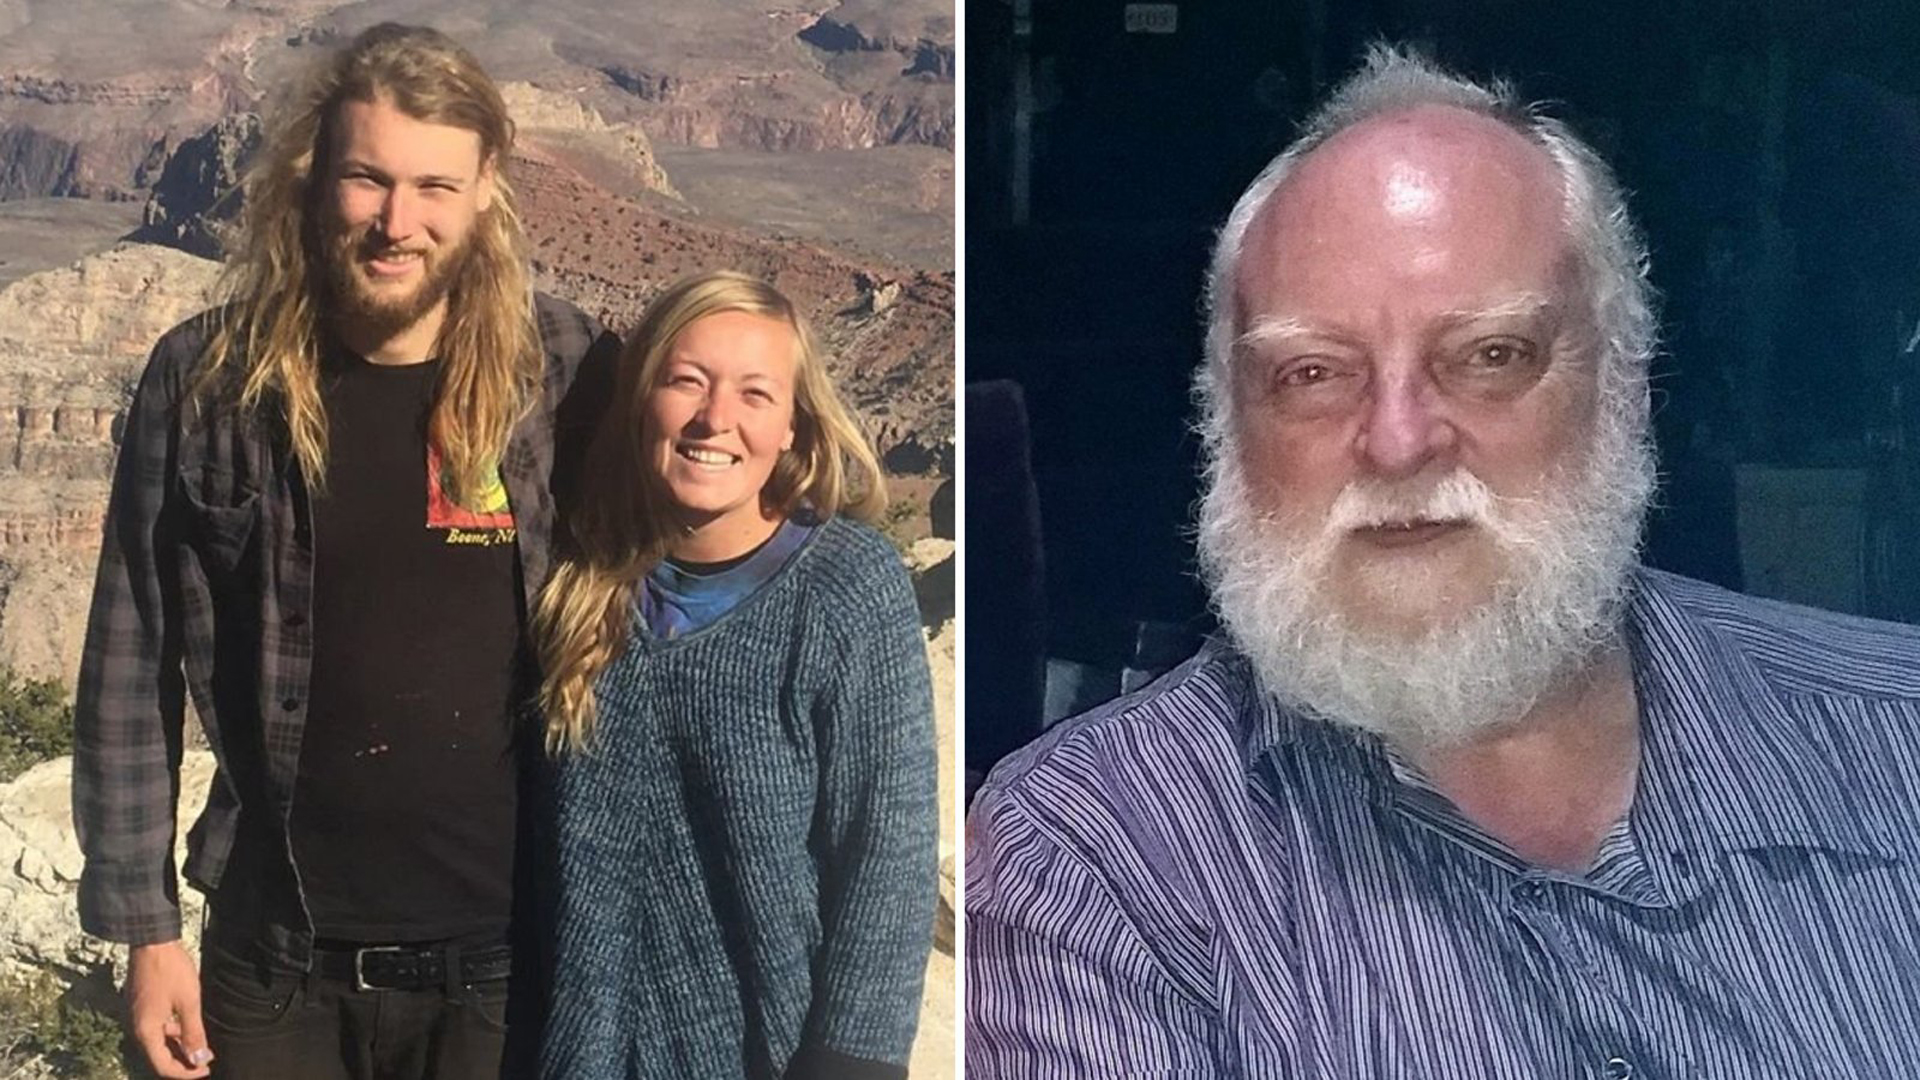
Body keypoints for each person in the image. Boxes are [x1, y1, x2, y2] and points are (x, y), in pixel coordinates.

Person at [966, 44, 1920, 1077]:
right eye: (1314, 373)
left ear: (1625, 389)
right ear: (1227, 429)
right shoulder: (1095, 863)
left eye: (1490, 356)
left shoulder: (1896, 740)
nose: (1400, 440)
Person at [71, 23, 617, 1080]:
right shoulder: (208, 382)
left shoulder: (559, 367)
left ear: (485, 187)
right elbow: (129, 661)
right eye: (368, 178)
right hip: (275, 968)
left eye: (432, 187)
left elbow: (676, 557)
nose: (397, 221)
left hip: (507, 967)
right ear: (316, 172)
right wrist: (147, 931)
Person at [533, 271, 938, 1080]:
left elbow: (886, 856)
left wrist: (851, 1064)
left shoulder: (844, 590)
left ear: (792, 425)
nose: (716, 419)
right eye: (687, 381)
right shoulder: (580, 576)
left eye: (756, 394)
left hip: (768, 1053)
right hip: (575, 1053)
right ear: (642, 399)